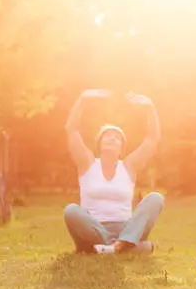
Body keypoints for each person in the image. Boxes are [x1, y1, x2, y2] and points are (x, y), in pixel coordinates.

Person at [63, 89, 164, 254]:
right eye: (107, 135)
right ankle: (128, 247)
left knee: (155, 198)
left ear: (121, 149)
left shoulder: (129, 166)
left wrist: (150, 109)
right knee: (71, 211)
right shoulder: (87, 162)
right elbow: (72, 130)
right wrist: (82, 100)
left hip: (126, 229)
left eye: (117, 138)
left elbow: (152, 138)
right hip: (93, 229)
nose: (112, 138)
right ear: (99, 143)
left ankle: (113, 246)